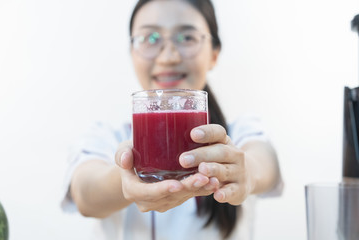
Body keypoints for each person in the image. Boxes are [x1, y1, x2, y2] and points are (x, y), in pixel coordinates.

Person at [61, 0, 284, 239]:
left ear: (214, 55)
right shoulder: (105, 138)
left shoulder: (237, 134)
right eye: (151, 39)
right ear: (132, 54)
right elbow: (85, 193)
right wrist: (127, 176)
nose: (168, 57)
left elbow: (265, 163)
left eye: (187, 38)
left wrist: (245, 172)